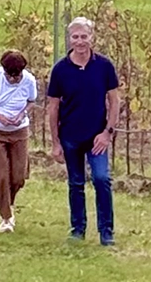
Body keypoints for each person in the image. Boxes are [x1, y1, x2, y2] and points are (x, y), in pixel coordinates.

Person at [46, 15, 121, 247]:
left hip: (97, 136)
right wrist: (55, 141)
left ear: (92, 38)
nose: (80, 41)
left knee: (101, 179)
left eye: (84, 36)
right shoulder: (60, 70)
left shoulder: (104, 67)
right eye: (75, 37)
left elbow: (115, 100)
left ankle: (106, 232)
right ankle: (78, 229)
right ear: (69, 39)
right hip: (70, 136)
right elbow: (52, 106)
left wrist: (108, 132)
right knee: (76, 183)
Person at [0, 46, 38, 232]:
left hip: (18, 131)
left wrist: (21, 115)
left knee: (18, 176)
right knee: (0, 176)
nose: (13, 79)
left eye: (16, 76)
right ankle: (6, 217)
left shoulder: (29, 81)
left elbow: (31, 101)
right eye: (9, 75)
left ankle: (8, 202)